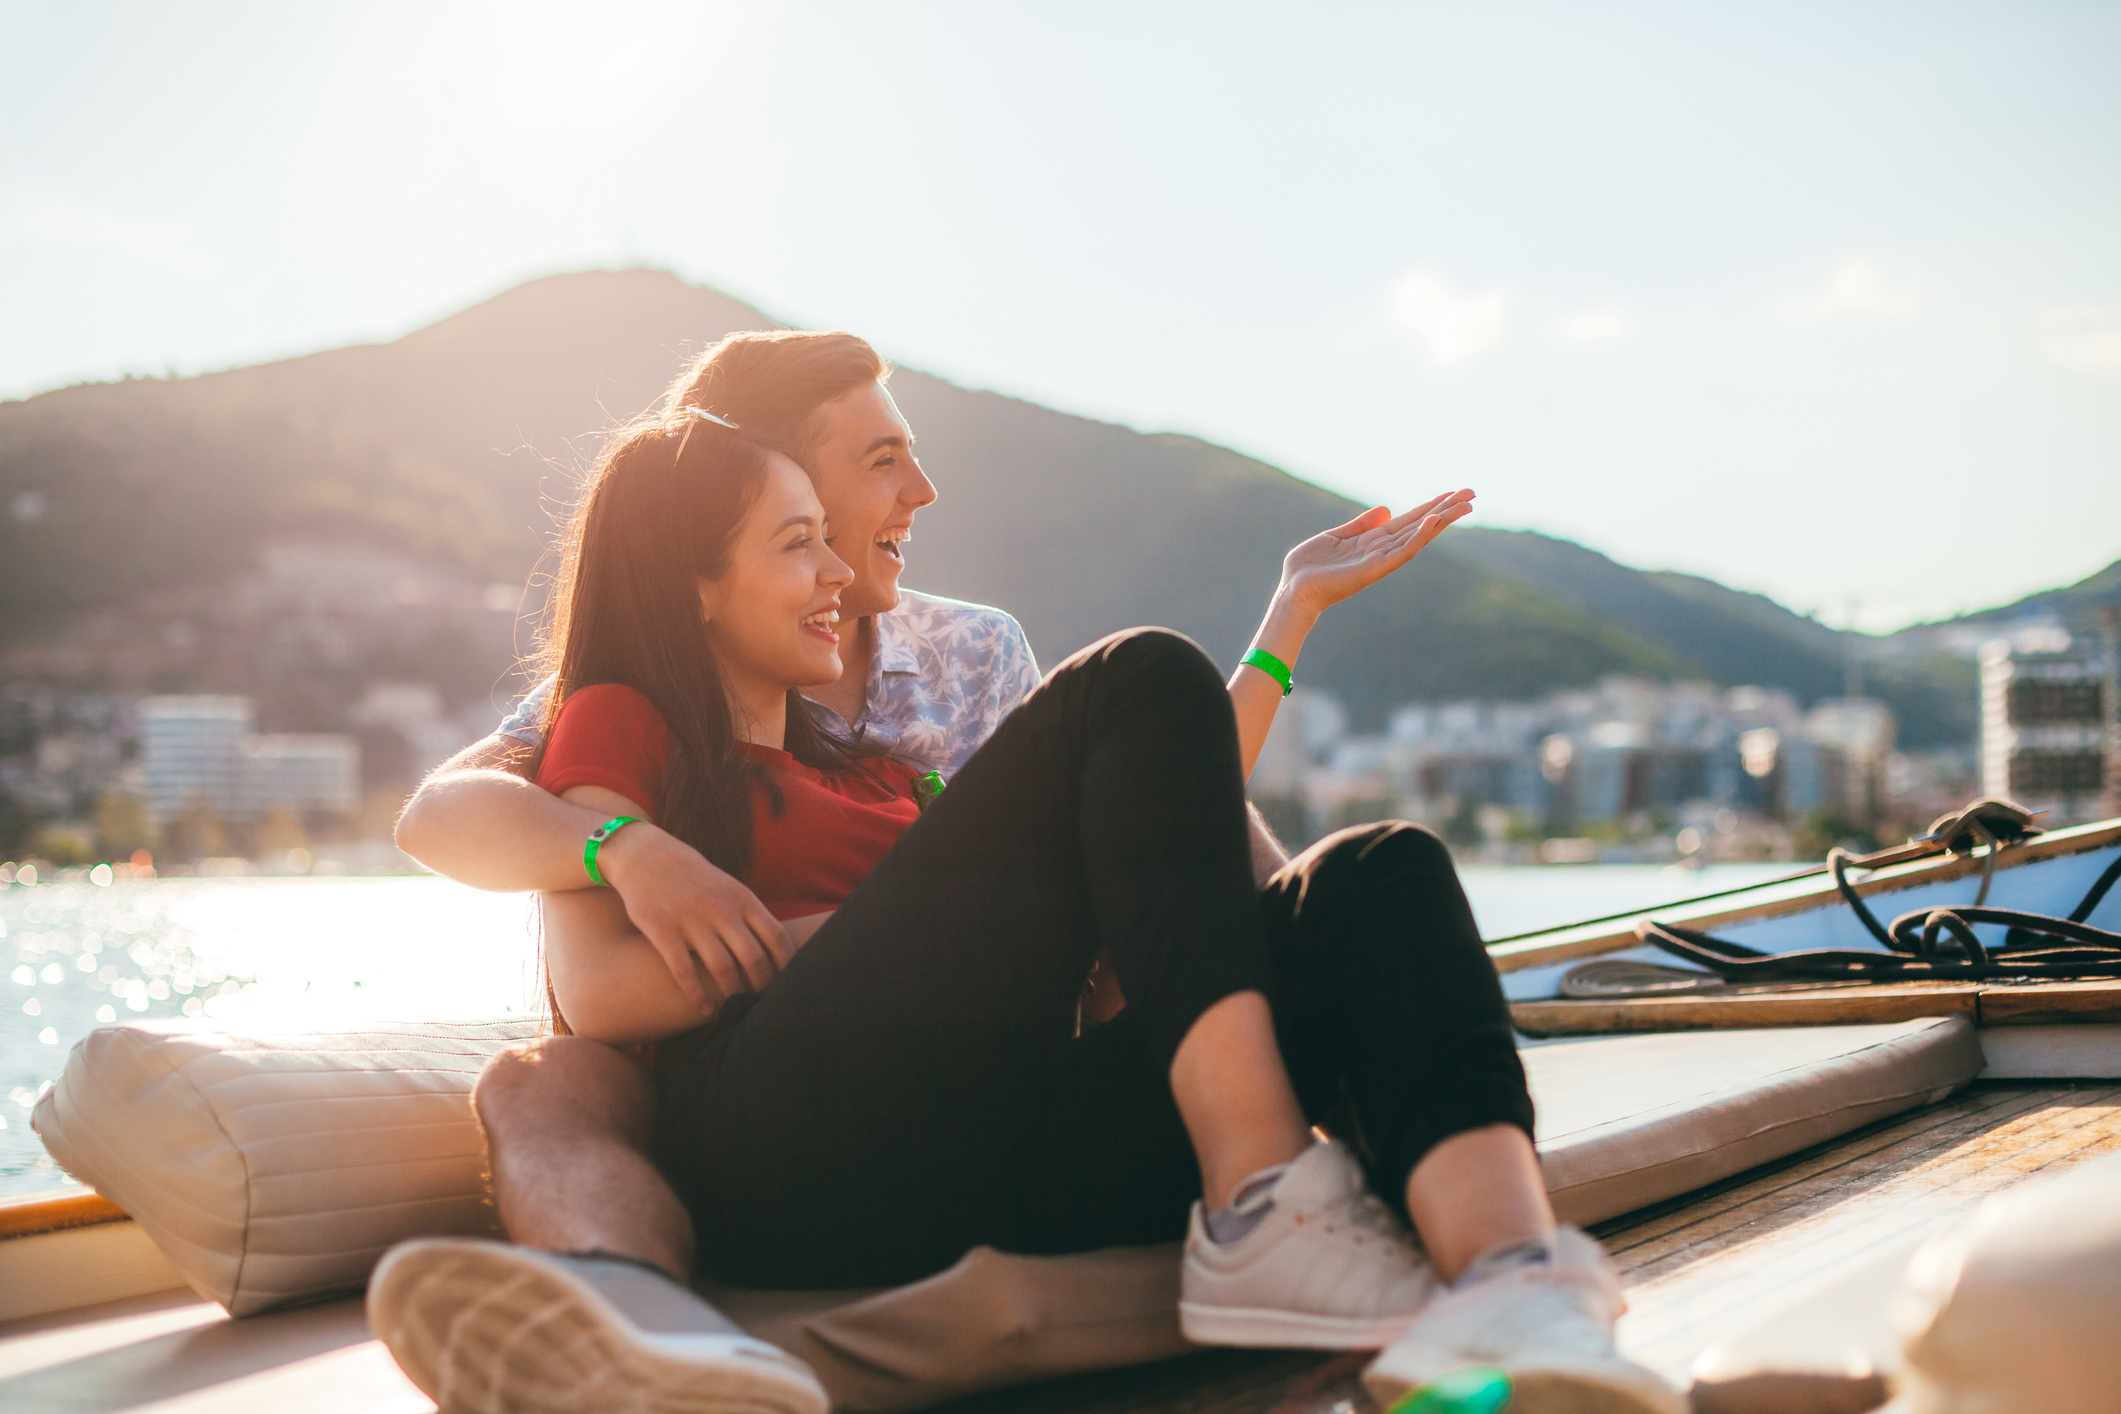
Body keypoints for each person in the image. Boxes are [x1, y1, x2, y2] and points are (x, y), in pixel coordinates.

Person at [373, 334, 1676, 1414]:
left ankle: (1520, 1295)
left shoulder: (901, 743)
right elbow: (497, 865)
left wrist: (1282, 660)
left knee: (1378, 874)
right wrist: (629, 848)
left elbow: (1146, 822)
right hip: (806, 1135)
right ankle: (1261, 1195)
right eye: (818, 517)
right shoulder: (628, 714)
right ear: (707, 556)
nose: (878, 530)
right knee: (1143, 672)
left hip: (1000, 1127)